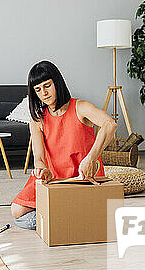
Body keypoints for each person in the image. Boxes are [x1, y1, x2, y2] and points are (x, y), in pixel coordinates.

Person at [11, 60, 117, 229]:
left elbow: (110, 124)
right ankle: (67, 219)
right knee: (17, 212)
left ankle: (60, 219)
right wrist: (41, 168)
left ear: (57, 83)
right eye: (38, 90)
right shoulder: (37, 119)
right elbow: (39, 157)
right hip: (52, 178)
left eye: (47, 86)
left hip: (80, 177)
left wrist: (91, 158)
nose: (44, 93)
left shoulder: (81, 107)